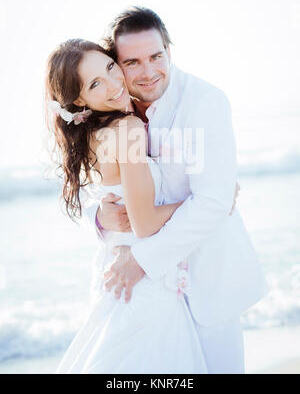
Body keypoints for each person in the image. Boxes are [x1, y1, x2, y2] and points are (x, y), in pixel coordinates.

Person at [83, 6, 270, 374]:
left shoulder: (205, 103)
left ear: (170, 49)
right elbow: (89, 189)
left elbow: (213, 203)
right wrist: (99, 217)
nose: (149, 71)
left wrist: (141, 260)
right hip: (142, 292)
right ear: (116, 65)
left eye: (156, 56)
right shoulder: (110, 109)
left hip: (206, 284)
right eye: (132, 62)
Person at [46, 38, 215, 374]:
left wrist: (101, 218)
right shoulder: (128, 127)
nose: (114, 84)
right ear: (79, 100)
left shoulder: (96, 131)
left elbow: (104, 198)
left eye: (110, 68)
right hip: (143, 280)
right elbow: (145, 223)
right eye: (95, 84)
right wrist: (208, 201)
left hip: (123, 271)